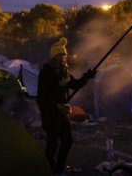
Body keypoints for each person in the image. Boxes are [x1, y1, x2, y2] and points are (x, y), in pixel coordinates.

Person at [36, 37, 96, 174]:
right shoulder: (45, 74)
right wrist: (57, 106)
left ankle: (59, 168)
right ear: (53, 57)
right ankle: (49, 170)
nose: (63, 57)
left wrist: (88, 76)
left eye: (64, 54)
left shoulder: (64, 73)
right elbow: (41, 98)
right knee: (52, 144)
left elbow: (75, 85)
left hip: (62, 115)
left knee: (67, 141)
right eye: (59, 54)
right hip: (50, 115)